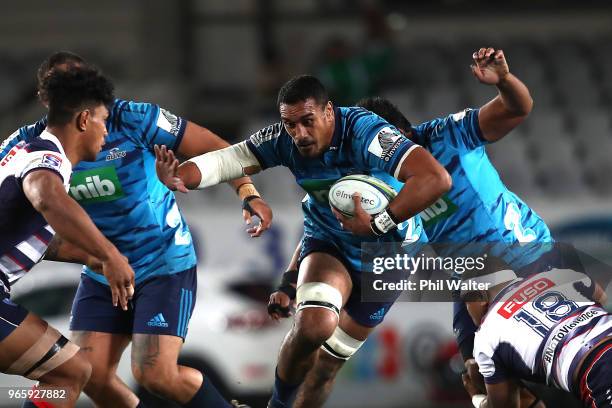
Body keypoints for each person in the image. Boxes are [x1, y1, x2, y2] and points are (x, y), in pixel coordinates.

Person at [267, 46, 556, 407]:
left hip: (528, 257)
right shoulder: (365, 176)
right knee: (480, 381)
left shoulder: (449, 136)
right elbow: (324, 226)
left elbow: (518, 108)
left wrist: (504, 81)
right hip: (470, 280)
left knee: (558, 366)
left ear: (399, 134)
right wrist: (289, 280)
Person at [154, 74, 452, 408]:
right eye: (290, 124)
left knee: (326, 368)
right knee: (314, 326)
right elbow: (228, 160)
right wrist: (182, 174)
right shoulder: (284, 138)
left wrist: (379, 223)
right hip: (331, 242)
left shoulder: (366, 132)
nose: (300, 134)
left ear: (328, 112)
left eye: (307, 122)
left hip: (389, 258)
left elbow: (436, 178)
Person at [0, 51, 269, 408]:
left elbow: (213, 148)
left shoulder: (133, 119)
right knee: (82, 375)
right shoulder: (39, 152)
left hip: (161, 262)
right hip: (106, 270)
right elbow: (45, 206)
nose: (103, 119)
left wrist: (247, 191)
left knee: (152, 374)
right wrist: (104, 257)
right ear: (50, 99)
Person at [0, 67, 134, 408]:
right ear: (85, 119)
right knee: (69, 372)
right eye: (105, 120)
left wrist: (90, 255)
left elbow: (30, 234)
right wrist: (109, 255)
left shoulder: (21, 154)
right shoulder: (47, 158)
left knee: (68, 372)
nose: (108, 130)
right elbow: (47, 196)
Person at [460, 267, 611, 408]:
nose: (468, 310)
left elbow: (505, 405)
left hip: (598, 367)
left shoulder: (486, 335)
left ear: (480, 297)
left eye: (467, 302)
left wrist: (478, 398)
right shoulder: (556, 274)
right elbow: (601, 296)